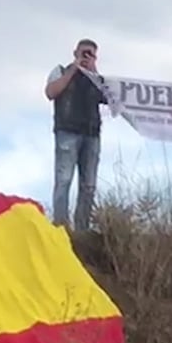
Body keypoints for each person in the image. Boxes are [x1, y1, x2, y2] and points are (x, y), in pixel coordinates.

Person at [44, 39, 107, 232]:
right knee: (64, 180)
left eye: (91, 54)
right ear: (75, 52)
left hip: (91, 134)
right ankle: (61, 225)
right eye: (84, 53)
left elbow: (108, 98)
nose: (87, 57)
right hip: (67, 131)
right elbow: (51, 92)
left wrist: (93, 72)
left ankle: (82, 229)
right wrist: (74, 70)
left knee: (89, 185)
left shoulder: (98, 79)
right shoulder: (61, 71)